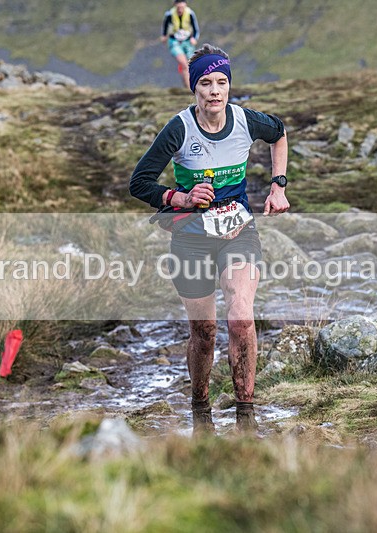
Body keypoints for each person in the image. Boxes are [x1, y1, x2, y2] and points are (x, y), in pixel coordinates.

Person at [130, 44, 290, 435]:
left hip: (238, 232)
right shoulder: (179, 129)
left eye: (222, 82)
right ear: (194, 88)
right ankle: (201, 412)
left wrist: (278, 186)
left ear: (229, 86)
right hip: (191, 239)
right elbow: (139, 183)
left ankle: (246, 418)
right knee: (204, 332)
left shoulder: (244, 120)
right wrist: (180, 197)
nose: (215, 91)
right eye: (205, 83)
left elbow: (279, 133)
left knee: (240, 318)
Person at [161, 0, 200, 89]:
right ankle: (189, 89)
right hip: (174, 42)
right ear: (175, 6)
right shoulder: (169, 14)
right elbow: (165, 27)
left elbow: (196, 29)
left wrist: (194, 38)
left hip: (187, 42)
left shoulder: (190, 13)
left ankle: (189, 85)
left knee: (191, 65)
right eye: (178, 8)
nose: (180, 10)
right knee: (184, 64)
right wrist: (163, 36)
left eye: (182, 8)